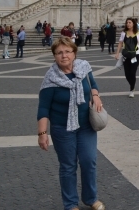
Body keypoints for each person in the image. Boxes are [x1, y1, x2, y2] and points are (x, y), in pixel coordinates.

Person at [38, 36, 106, 210]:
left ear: (74, 53)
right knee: (68, 166)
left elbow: (93, 84)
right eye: (59, 52)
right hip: (62, 128)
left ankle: (91, 198)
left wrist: (96, 96)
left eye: (67, 51)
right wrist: (42, 133)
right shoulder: (51, 78)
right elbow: (43, 108)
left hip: (86, 126)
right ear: (54, 56)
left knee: (89, 161)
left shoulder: (84, 67)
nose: (64, 56)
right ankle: (70, 204)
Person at [114, 18, 139, 98]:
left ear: (133, 24)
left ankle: (132, 89)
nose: (128, 24)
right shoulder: (124, 33)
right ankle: (132, 85)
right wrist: (117, 53)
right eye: (127, 22)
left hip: (136, 55)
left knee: (133, 73)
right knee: (127, 74)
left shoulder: (138, 33)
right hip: (126, 55)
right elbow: (120, 43)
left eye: (130, 22)